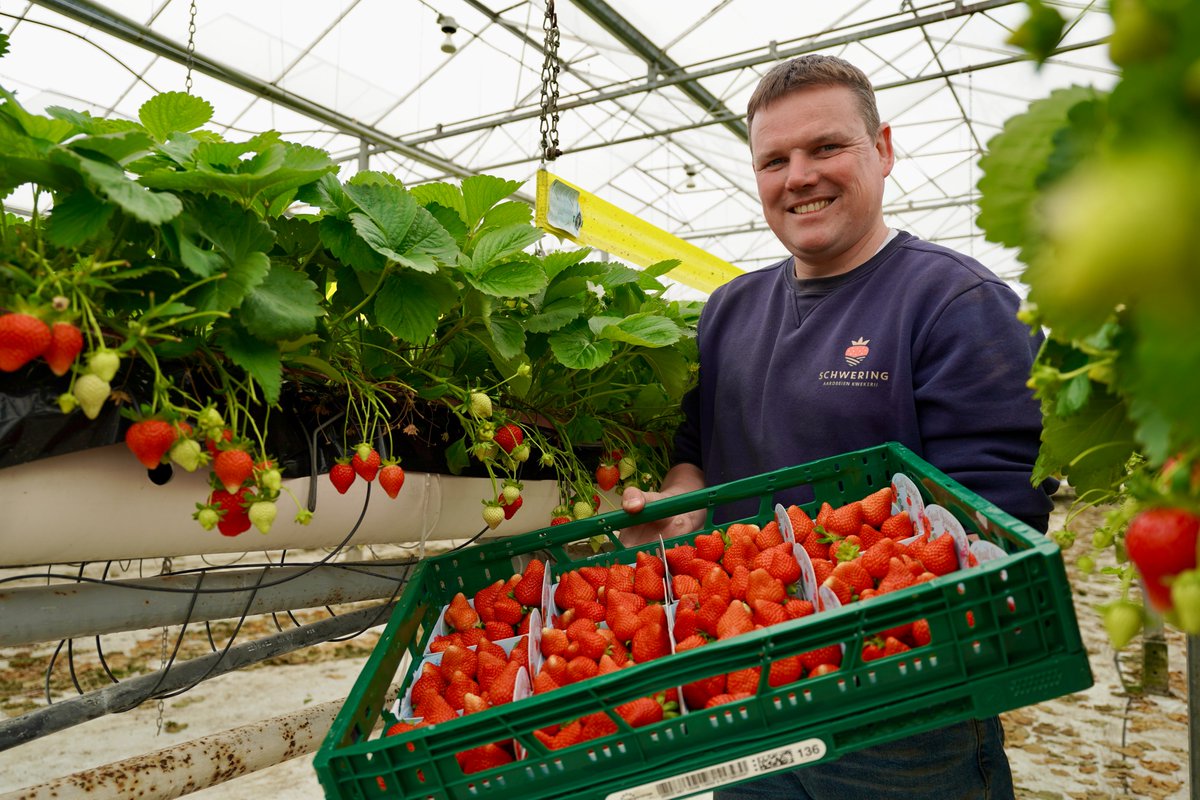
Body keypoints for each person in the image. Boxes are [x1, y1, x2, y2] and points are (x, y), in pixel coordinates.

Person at [621, 54, 1053, 799]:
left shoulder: (956, 302)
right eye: (774, 160)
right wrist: (681, 502)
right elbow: (696, 453)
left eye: (826, 148)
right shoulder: (728, 309)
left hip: (897, 714)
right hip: (741, 692)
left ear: (881, 150)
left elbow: (996, 523)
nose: (799, 177)